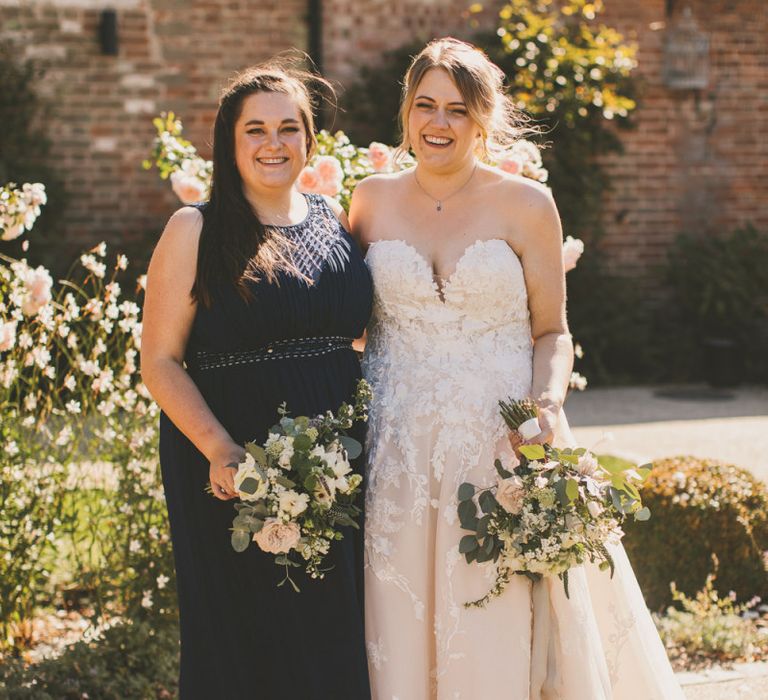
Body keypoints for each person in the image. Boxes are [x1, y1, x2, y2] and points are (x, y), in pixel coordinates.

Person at [350, 37, 683, 700]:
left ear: (485, 121)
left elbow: (553, 332)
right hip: (396, 450)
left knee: (496, 614)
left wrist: (547, 404)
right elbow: (351, 327)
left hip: (501, 442)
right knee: (398, 611)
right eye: (426, 106)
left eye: (458, 110)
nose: (438, 124)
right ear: (406, 112)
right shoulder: (369, 201)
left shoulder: (527, 205)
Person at [141, 63, 372, 699]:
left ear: (310, 140)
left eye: (289, 128)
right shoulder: (196, 228)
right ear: (229, 141)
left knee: (334, 627)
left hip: (340, 458)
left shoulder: (334, 218)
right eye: (256, 129)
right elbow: (159, 360)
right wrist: (220, 449)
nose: (274, 143)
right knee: (247, 634)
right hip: (233, 459)